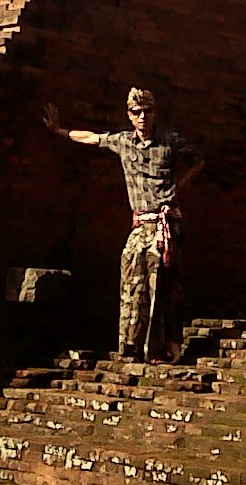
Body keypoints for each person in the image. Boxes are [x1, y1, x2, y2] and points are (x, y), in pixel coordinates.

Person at [43, 87, 203, 363]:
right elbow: (92, 138)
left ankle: (167, 345)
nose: (142, 117)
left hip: (165, 222)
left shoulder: (169, 141)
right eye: (136, 112)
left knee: (163, 284)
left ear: (154, 112)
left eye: (147, 111)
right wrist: (59, 131)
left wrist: (179, 186)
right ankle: (132, 344)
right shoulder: (123, 142)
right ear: (129, 115)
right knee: (132, 279)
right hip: (140, 224)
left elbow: (198, 161)